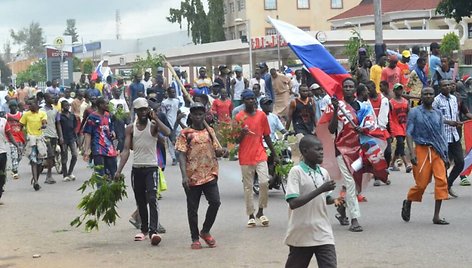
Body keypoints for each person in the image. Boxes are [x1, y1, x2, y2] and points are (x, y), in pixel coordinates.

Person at [115, 97, 170, 246]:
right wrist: (118, 170)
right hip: (137, 168)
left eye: (145, 109)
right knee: (140, 200)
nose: (144, 112)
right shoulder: (130, 128)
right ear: (136, 111)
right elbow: (126, 150)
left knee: (152, 198)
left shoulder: (153, 126)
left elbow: (168, 132)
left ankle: (154, 231)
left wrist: (156, 119)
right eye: (140, 110)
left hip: (151, 167)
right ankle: (144, 229)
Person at [284, 135, 341, 268]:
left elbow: (325, 198)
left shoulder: (323, 172)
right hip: (302, 232)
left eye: (322, 149)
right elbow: (293, 203)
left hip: (322, 230)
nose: (322, 152)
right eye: (317, 149)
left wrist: (335, 200)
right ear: (304, 151)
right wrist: (321, 189)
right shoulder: (296, 172)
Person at [175, 102, 225, 249]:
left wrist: (222, 152)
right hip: (193, 175)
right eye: (195, 114)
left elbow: (217, 150)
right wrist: (184, 176)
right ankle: (195, 237)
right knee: (193, 208)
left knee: (215, 202)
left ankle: (205, 231)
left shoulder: (210, 132)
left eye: (200, 114)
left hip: (210, 173)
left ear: (204, 115)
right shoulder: (186, 133)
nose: (198, 117)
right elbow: (182, 155)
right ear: (191, 116)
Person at [401, 87, 450, 225]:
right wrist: (412, 153)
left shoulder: (438, 114)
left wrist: (445, 155)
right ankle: (409, 200)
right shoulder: (415, 112)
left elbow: (442, 136)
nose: (428, 96)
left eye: (431, 94)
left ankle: (436, 216)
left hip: (437, 150)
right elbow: (409, 133)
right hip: (421, 150)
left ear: (434, 96)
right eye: (425, 94)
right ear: (421, 96)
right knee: (422, 184)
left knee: (441, 181)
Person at [235, 89, 278, 227]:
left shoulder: (261, 116)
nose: (251, 101)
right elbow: (236, 140)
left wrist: (275, 153)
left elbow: (266, 135)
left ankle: (261, 210)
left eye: (253, 98)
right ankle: (251, 214)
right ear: (244, 101)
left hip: (260, 154)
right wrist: (242, 133)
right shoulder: (239, 117)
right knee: (248, 187)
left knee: (264, 182)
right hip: (245, 156)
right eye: (248, 99)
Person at [328, 78, 363, 232]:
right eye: (346, 87)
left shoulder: (362, 106)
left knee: (356, 183)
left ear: (355, 89)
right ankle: (354, 219)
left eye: (351, 86)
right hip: (342, 149)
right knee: (350, 182)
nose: (348, 89)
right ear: (342, 89)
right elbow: (331, 129)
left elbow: (370, 126)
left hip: (359, 150)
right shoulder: (338, 106)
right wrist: (335, 110)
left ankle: (341, 209)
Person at [432, 79, 464, 198]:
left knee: (460, 162)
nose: (447, 87)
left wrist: (457, 122)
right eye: (444, 85)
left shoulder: (454, 99)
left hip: (454, 135)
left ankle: (448, 184)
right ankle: (442, 189)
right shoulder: (436, 101)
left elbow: (455, 114)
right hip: (443, 136)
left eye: (448, 85)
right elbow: (434, 117)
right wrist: (447, 122)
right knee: (444, 164)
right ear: (440, 88)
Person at [83, 98, 118, 178]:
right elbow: (88, 133)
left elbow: (111, 127)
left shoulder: (108, 115)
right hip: (98, 148)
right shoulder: (92, 117)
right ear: (100, 105)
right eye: (106, 104)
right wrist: (86, 150)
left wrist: (113, 132)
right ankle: (101, 189)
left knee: (113, 171)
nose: (108, 105)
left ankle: (112, 188)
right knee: (100, 173)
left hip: (109, 148)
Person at [20, 98, 47, 191]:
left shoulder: (42, 113)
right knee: (33, 161)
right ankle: (36, 182)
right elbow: (21, 126)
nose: (30, 106)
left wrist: (43, 125)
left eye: (32, 104)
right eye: (29, 105)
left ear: (37, 105)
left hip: (40, 139)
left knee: (40, 162)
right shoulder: (26, 114)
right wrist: (23, 137)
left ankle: (36, 179)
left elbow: (44, 122)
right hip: (31, 140)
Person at [388, 84, 412, 173]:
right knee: (401, 143)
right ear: (394, 91)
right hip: (395, 125)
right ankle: (406, 164)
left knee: (399, 146)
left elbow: (409, 113)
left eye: (401, 89)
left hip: (404, 126)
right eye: (397, 90)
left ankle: (391, 164)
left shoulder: (406, 102)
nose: (399, 91)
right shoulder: (391, 102)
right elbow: (389, 115)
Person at [41, 93, 63, 184]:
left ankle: (48, 175)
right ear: (46, 98)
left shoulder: (55, 110)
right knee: (50, 154)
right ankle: (48, 175)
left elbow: (58, 124)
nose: (53, 99)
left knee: (52, 155)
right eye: (50, 97)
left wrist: (60, 136)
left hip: (53, 135)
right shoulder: (41, 110)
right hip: (44, 135)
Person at [0, 115, 19, 201]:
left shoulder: (3, 121)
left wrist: (17, 146)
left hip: (2, 151)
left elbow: (9, 135)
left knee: (2, 175)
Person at [161, 87, 180, 165]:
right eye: (171, 92)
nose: (173, 94)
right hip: (169, 123)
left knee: (179, 140)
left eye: (174, 92)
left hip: (177, 124)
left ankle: (178, 155)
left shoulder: (177, 101)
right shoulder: (164, 103)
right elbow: (164, 115)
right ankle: (174, 158)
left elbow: (178, 111)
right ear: (168, 93)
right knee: (170, 142)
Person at [59, 100, 78, 182]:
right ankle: (65, 174)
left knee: (75, 155)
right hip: (64, 138)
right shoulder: (60, 116)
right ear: (62, 107)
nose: (67, 107)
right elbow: (58, 126)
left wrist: (76, 137)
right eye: (65, 106)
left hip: (71, 137)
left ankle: (70, 172)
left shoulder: (72, 116)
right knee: (64, 157)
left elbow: (74, 126)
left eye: (68, 105)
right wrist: (60, 137)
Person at [7, 101, 25, 179]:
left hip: (20, 137)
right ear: (9, 107)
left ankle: (14, 166)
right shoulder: (6, 115)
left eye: (14, 106)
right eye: (12, 106)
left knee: (20, 155)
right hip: (11, 138)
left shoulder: (20, 115)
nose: (13, 108)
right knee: (14, 155)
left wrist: (15, 119)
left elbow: (24, 124)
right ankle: (15, 172)